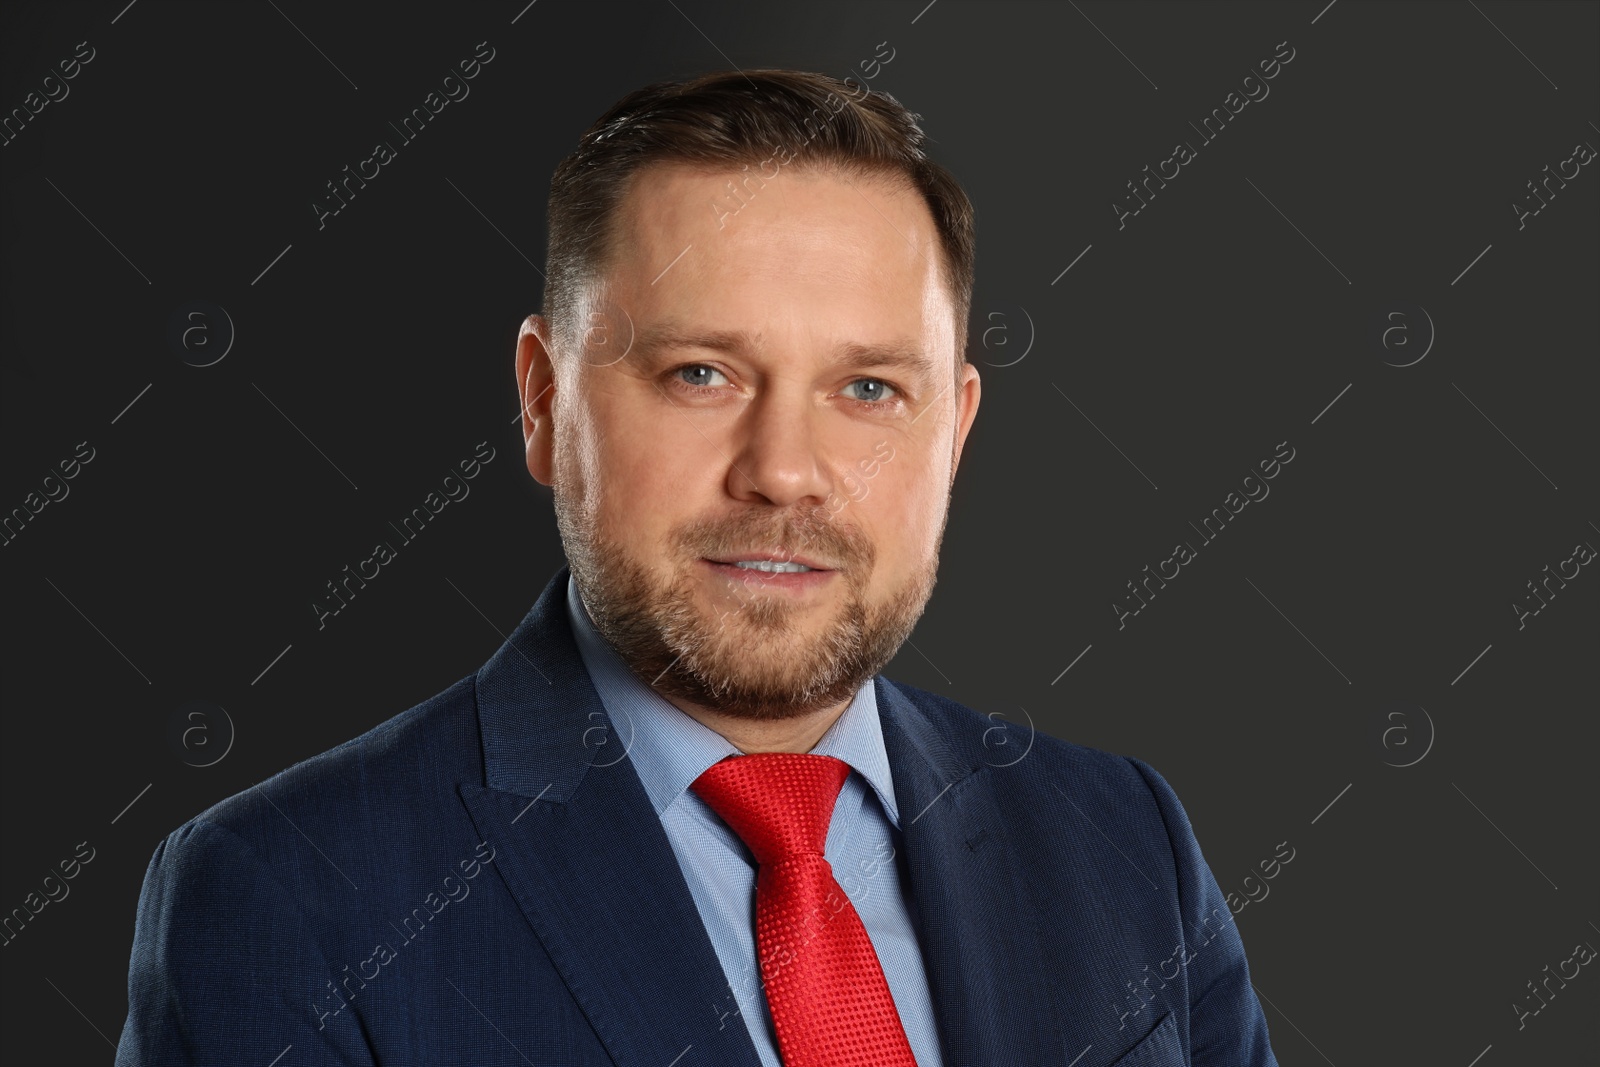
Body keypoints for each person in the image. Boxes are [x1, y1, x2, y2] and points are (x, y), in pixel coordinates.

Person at [115, 68, 1278, 1066]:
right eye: (700, 375)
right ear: (543, 399)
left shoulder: (1121, 839)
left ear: (954, 429)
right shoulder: (291, 890)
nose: (783, 472)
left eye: (867, 389)